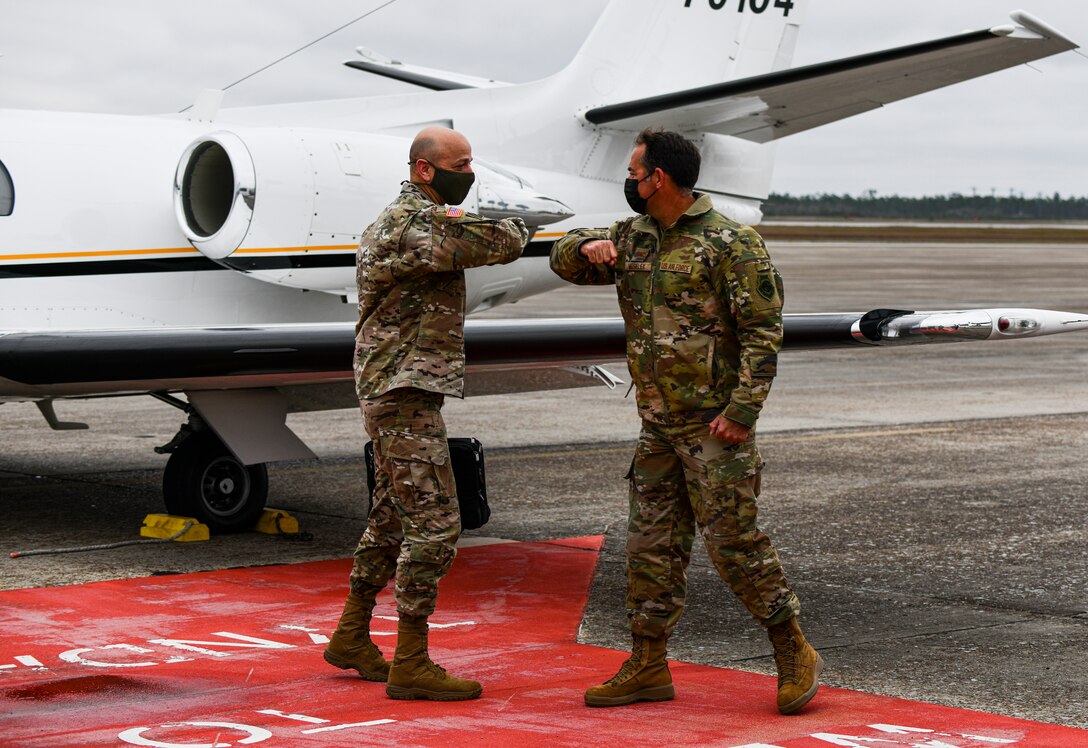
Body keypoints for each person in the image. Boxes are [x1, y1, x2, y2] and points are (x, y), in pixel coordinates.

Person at [550, 129, 822, 714]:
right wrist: (586, 248)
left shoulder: (731, 243)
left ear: (660, 179)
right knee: (649, 548)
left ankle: (792, 648)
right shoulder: (634, 237)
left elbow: (762, 335)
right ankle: (648, 664)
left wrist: (742, 413)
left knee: (734, 545)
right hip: (657, 426)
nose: (629, 182)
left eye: (634, 172)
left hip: (714, 429)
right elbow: (562, 255)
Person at [324, 126, 529, 702]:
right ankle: (411, 658)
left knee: (391, 516)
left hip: (399, 386)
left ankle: (351, 635)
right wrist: (516, 224)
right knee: (437, 523)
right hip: (402, 390)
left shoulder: (414, 219)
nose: (468, 172)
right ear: (423, 169)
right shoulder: (414, 225)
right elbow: (497, 244)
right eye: (460, 164)